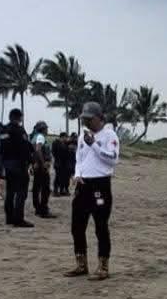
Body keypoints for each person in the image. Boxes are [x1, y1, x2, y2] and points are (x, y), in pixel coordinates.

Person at [65, 102, 120, 281]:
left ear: (99, 118)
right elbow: (79, 159)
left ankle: (103, 266)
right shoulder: (83, 136)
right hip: (83, 185)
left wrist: (94, 145)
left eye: (90, 119)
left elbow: (112, 159)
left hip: (100, 186)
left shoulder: (110, 135)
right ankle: (81, 264)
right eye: (84, 119)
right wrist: (77, 174)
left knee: (101, 225)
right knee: (77, 226)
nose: (86, 122)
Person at [0, 108, 33, 227]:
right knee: (21, 192)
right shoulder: (19, 130)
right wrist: (30, 161)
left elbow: (1, 148)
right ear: (18, 118)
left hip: (7, 164)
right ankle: (18, 219)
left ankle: (9, 218)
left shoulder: (4, 130)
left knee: (10, 192)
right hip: (19, 164)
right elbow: (25, 147)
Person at [30, 121, 53, 218]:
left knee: (36, 188)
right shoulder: (40, 137)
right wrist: (43, 163)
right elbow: (38, 149)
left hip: (37, 166)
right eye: (46, 128)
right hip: (41, 167)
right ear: (43, 129)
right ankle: (43, 210)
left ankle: (38, 209)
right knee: (45, 189)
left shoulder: (34, 137)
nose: (47, 130)